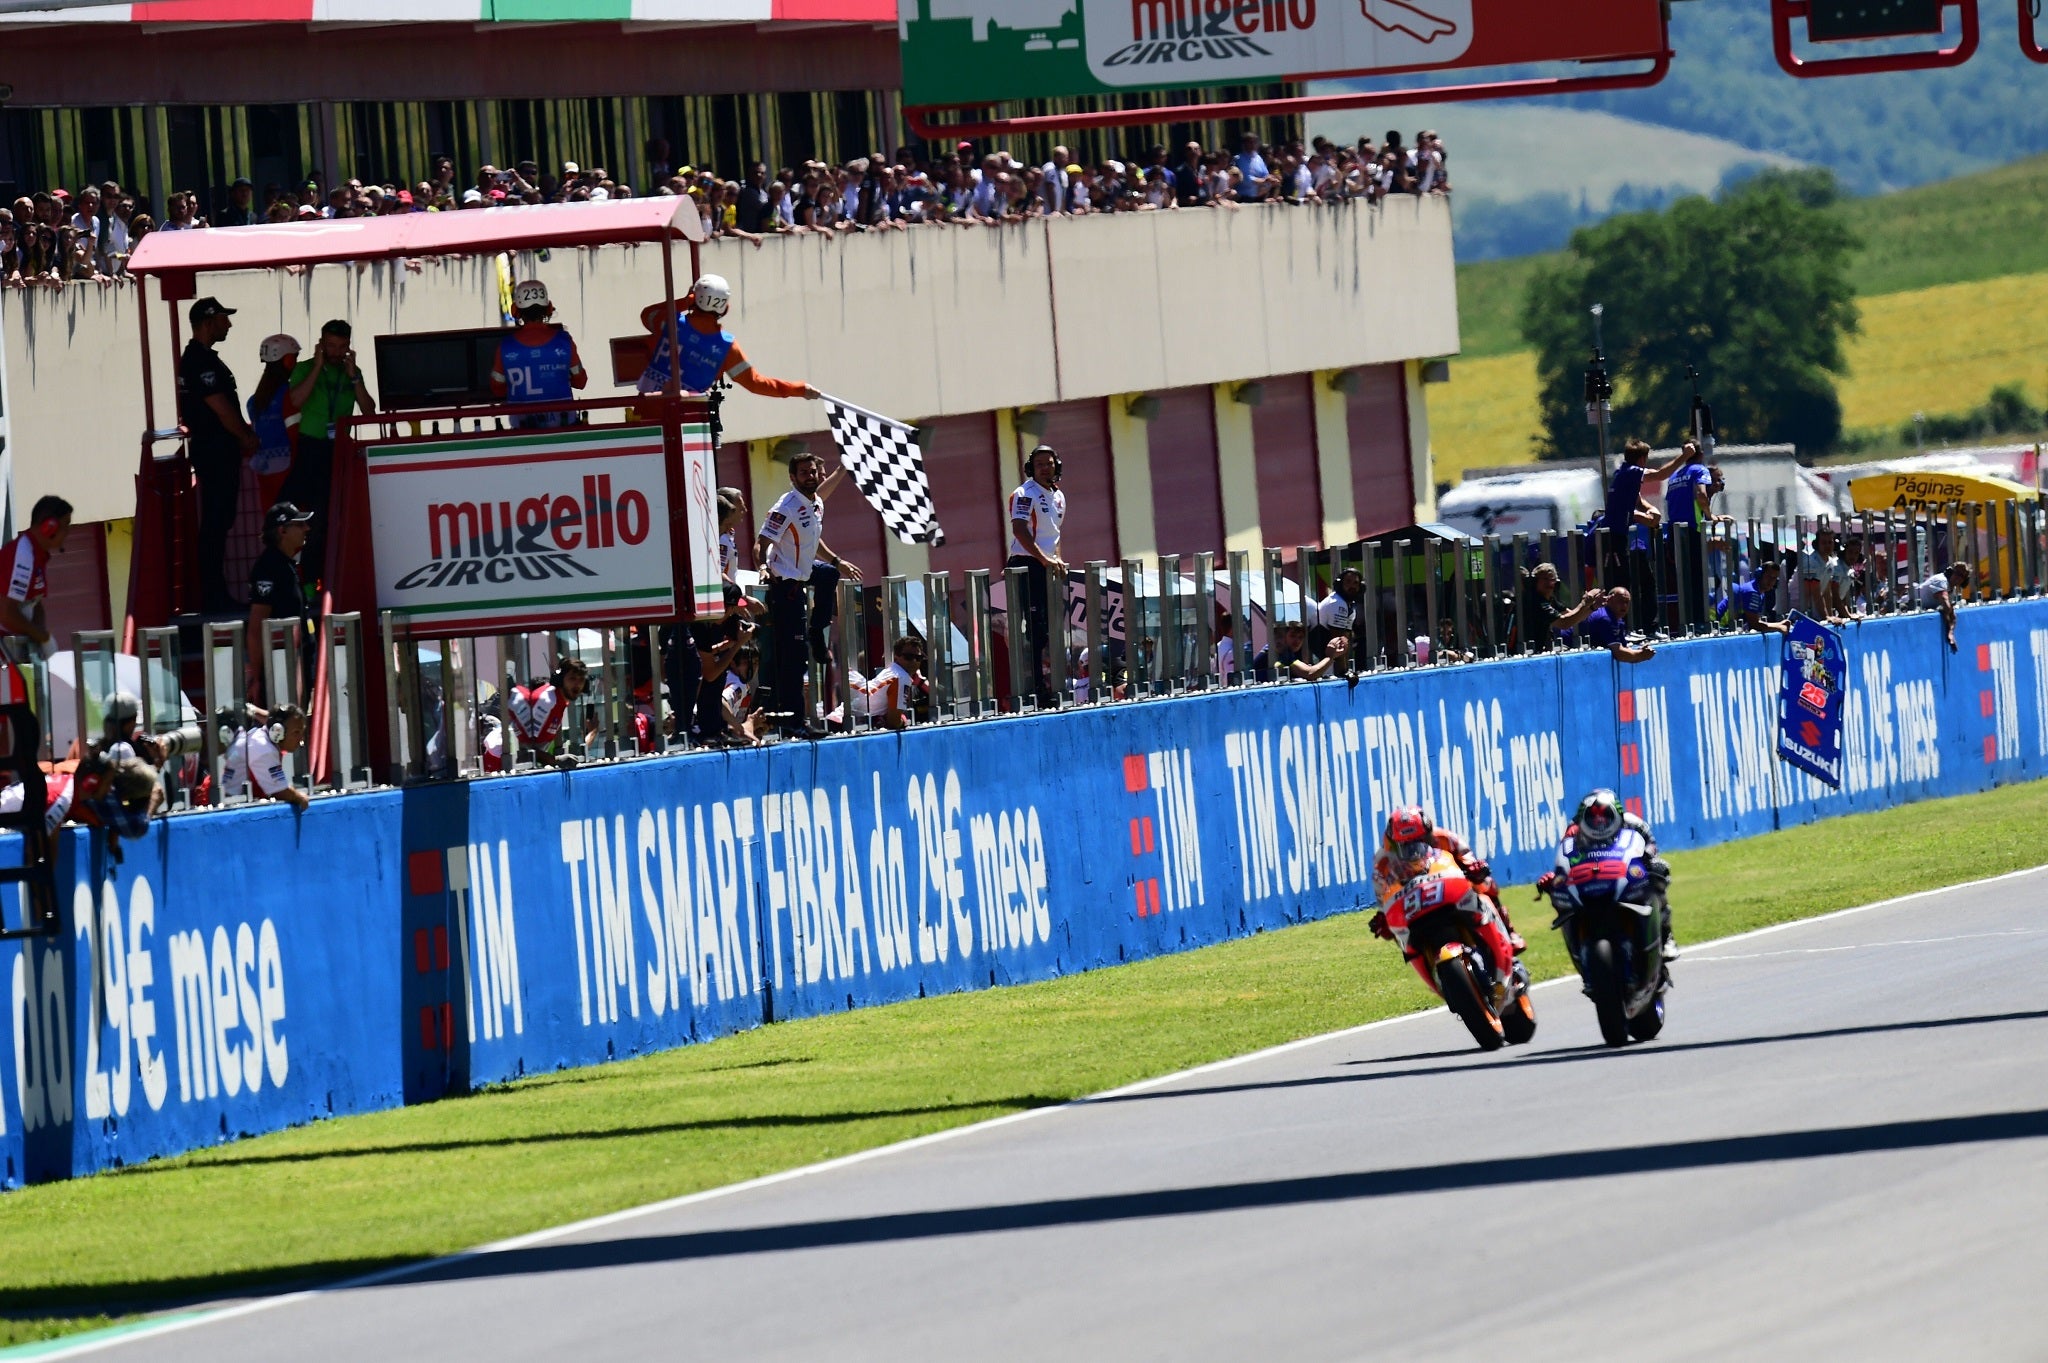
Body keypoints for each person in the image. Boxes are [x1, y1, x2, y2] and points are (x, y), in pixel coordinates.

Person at [756, 452, 861, 735]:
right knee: (793, 657)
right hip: (786, 584)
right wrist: (762, 568)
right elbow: (761, 542)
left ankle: (817, 630)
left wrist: (838, 561)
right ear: (792, 477)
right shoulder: (786, 507)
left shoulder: (815, 505)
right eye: (804, 473)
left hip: (803, 571)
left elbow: (813, 539)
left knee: (828, 573)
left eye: (813, 471)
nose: (811, 476)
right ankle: (793, 723)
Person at [1368, 807, 1523, 992]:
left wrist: (1474, 869)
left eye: (1419, 841)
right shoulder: (1382, 862)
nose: (1414, 850)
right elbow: (1382, 896)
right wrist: (1383, 918)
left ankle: (1509, 930)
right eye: (1405, 845)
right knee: (1394, 930)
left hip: (1449, 887)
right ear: (1394, 843)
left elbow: (1467, 857)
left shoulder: (1444, 838)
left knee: (1485, 884)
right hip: (1414, 901)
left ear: (1427, 834)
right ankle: (1431, 969)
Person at [178, 297, 260, 612]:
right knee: (215, 522)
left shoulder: (197, 358)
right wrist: (245, 436)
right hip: (215, 449)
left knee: (218, 521)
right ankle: (213, 596)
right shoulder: (200, 361)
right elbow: (221, 408)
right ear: (209, 320)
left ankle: (215, 593)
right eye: (225, 318)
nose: (229, 324)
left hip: (213, 448)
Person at [284, 318, 376, 580]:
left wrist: (355, 377)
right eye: (331, 346)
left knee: (326, 518)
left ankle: (319, 579)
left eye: (341, 346)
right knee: (295, 514)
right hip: (309, 449)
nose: (335, 352)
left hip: (337, 451)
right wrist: (317, 367)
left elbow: (369, 411)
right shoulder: (304, 369)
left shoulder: (351, 373)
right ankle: (303, 578)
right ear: (321, 345)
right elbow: (296, 400)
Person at [635, 273, 821, 403]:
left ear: (694, 298)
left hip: (647, 408)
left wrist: (686, 301)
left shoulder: (669, 321)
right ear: (725, 308)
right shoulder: (728, 347)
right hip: (691, 419)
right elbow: (755, 383)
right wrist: (799, 389)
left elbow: (647, 314)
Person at [1541, 788, 1676, 958]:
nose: (1599, 822)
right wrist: (1556, 878)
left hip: (1627, 872)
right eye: (1593, 818)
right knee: (1563, 900)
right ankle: (1579, 954)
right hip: (1592, 877)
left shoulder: (1633, 822)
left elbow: (1651, 843)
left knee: (1657, 876)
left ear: (1617, 815)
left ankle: (1666, 934)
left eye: (1605, 816)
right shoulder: (1573, 829)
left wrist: (1647, 858)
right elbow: (1566, 857)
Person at [1007, 444, 1066, 703]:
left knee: (1050, 626)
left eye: (1050, 463)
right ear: (1032, 468)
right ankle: (1033, 688)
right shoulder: (1023, 493)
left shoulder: (1060, 496)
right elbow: (1020, 530)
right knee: (1034, 628)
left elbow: (1054, 534)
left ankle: (1047, 683)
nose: (1045, 468)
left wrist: (1057, 558)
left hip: (1047, 565)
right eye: (1040, 464)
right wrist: (1043, 559)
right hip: (1027, 564)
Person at [1602, 438, 1687, 615]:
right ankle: (1619, 626)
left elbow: (1636, 500)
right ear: (1642, 459)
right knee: (1620, 584)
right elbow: (1661, 474)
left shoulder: (1623, 473)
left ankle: (1636, 625)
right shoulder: (1632, 472)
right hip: (1613, 538)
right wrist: (1685, 456)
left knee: (1635, 581)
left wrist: (1651, 510)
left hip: (1619, 536)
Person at [490, 280, 587, 429]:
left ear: (515, 310)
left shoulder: (506, 346)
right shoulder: (564, 341)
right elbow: (580, 382)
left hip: (522, 430)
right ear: (548, 309)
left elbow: (497, 389)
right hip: (564, 428)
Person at [245, 503, 315, 705]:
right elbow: (256, 628)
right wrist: (257, 677)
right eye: (300, 525)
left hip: (297, 669)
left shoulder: (287, 565)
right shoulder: (268, 568)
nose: (306, 529)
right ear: (282, 530)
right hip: (281, 674)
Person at [246, 334, 301, 509]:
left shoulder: (254, 401)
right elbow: (296, 434)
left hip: (263, 468)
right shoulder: (291, 396)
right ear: (288, 361)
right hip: (289, 469)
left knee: (272, 518)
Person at [221, 703, 308, 810]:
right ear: (278, 731)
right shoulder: (265, 749)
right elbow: (280, 792)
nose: (301, 739)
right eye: (296, 732)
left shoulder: (263, 740)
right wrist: (301, 798)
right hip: (226, 805)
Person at [508, 658, 588, 767]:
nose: (577, 684)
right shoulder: (546, 701)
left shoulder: (560, 701)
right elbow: (526, 747)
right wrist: (555, 760)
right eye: (572, 678)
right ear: (560, 679)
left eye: (581, 680)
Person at [1516, 563, 1604, 651]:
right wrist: (1584, 603)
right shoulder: (1535, 601)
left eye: (1552, 580)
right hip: (1524, 650)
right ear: (1534, 582)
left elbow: (1574, 617)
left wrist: (1592, 606)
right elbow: (1564, 623)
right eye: (1545, 579)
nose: (1549, 583)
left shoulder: (1550, 599)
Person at [1580, 588, 1655, 663]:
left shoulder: (1618, 620)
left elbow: (1624, 649)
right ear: (1609, 600)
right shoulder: (1606, 618)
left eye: (1627, 602)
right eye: (1620, 601)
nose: (1624, 605)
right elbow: (1619, 654)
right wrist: (1641, 654)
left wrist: (1640, 653)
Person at [1251, 619, 1336, 682]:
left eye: (1300, 637)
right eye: (1293, 636)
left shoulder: (1281, 651)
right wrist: (1331, 656)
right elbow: (1310, 674)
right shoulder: (1282, 652)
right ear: (1284, 637)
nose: (1297, 641)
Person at [1723, 558, 1790, 635]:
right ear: (1759, 575)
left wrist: (1779, 624)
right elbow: (1754, 624)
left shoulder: (1759, 592)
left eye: (1774, 578)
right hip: (1724, 627)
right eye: (1768, 576)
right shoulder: (1752, 592)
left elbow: (1755, 621)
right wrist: (1779, 627)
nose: (1771, 581)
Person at [1311, 567, 1364, 662]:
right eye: (1348, 581)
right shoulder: (1336, 603)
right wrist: (1343, 671)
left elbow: (1347, 637)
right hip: (1319, 651)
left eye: (1355, 583)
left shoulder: (1348, 604)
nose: (1352, 586)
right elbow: (1338, 641)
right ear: (1340, 584)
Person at [1915, 561, 1971, 651]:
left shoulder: (1952, 589)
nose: (1958, 578)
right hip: (1908, 606)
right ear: (1950, 572)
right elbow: (1947, 606)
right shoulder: (1941, 580)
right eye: (1957, 573)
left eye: (1962, 576)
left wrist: (1951, 633)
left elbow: (1952, 615)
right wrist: (1947, 611)